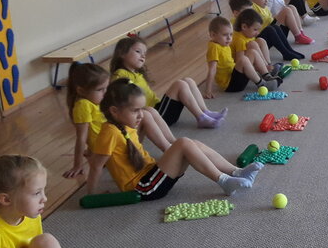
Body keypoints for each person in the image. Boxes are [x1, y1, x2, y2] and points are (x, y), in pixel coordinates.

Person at [87, 78, 262, 200]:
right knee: (183, 143)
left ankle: (236, 172)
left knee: (192, 143)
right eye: (135, 111)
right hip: (144, 187)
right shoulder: (109, 132)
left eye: (140, 109)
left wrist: (145, 114)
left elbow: (130, 145)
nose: (140, 114)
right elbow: (96, 166)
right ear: (114, 111)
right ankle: (223, 181)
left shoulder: (125, 124)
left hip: (151, 175)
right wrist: (92, 195)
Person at [62, 62, 175, 179]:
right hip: (109, 151)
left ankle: (171, 143)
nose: (105, 92)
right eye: (100, 90)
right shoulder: (83, 105)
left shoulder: (94, 101)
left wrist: (90, 151)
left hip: (113, 142)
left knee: (149, 110)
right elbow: (81, 137)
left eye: (106, 88)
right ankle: (168, 149)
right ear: (81, 91)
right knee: (145, 115)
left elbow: (95, 129)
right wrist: (78, 165)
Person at [109, 36, 225, 129]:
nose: (143, 56)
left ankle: (205, 112)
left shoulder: (137, 74)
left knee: (187, 80)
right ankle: (201, 118)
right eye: (138, 51)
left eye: (144, 53)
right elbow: (120, 98)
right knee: (179, 84)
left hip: (159, 110)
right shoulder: (120, 74)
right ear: (122, 53)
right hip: (154, 116)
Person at [202, 15, 279, 98]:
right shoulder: (214, 48)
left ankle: (267, 75)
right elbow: (212, 69)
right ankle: (262, 84)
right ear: (213, 35)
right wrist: (208, 90)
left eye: (231, 34)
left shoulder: (223, 44)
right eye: (225, 35)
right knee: (243, 59)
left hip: (234, 76)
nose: (229, 38)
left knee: (252, 52)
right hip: (230, 85)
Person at [228, 0, 303, 62]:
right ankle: (286, 53)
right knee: (269, 30)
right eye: (247, 12)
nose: (250, 14)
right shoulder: (234, 24)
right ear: (236, 13)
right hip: (249, 49)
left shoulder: (245, 19)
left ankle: (289, 50)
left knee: (275, 27)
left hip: (254, 43)